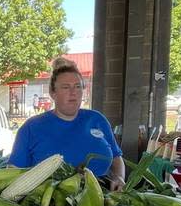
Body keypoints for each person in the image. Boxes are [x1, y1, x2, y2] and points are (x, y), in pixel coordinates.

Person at [10, 58, 125, 190]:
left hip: (104, 199)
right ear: (53, 93)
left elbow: (117, 158)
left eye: (77, 87)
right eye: (66, 87)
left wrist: (119, 177)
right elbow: (13, 171)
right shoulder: (32, 127)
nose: (73, 92)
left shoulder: (97, 120)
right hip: (50, 204)